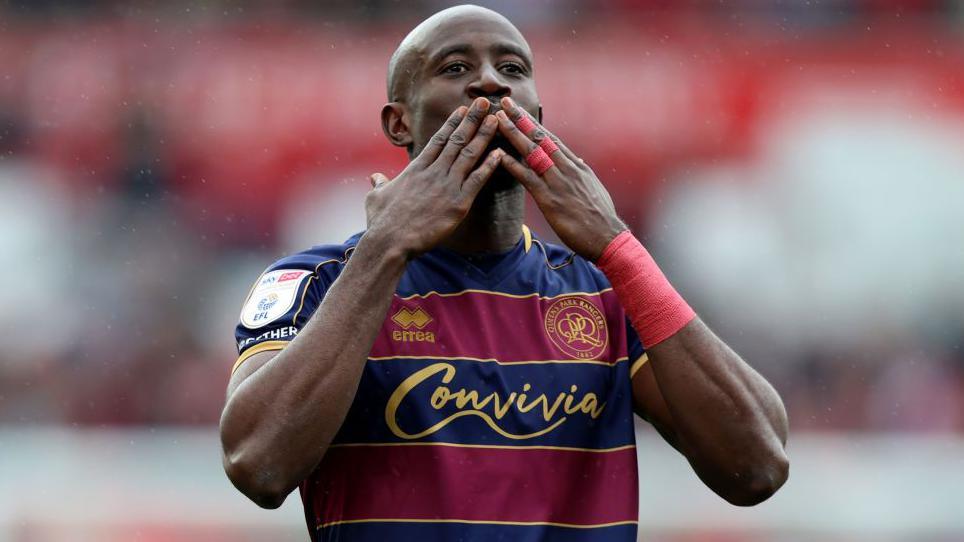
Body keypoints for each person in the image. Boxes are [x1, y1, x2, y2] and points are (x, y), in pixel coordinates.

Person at [220, 5, 789, 541]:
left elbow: (757, 466)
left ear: (537, 114)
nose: (491, 83)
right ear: (399, 123)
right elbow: (258, 465)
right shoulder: (318, 283)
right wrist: (385, 248)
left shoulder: (607, 293)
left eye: (512, 68)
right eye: (456, 67)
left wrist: (618, 248)